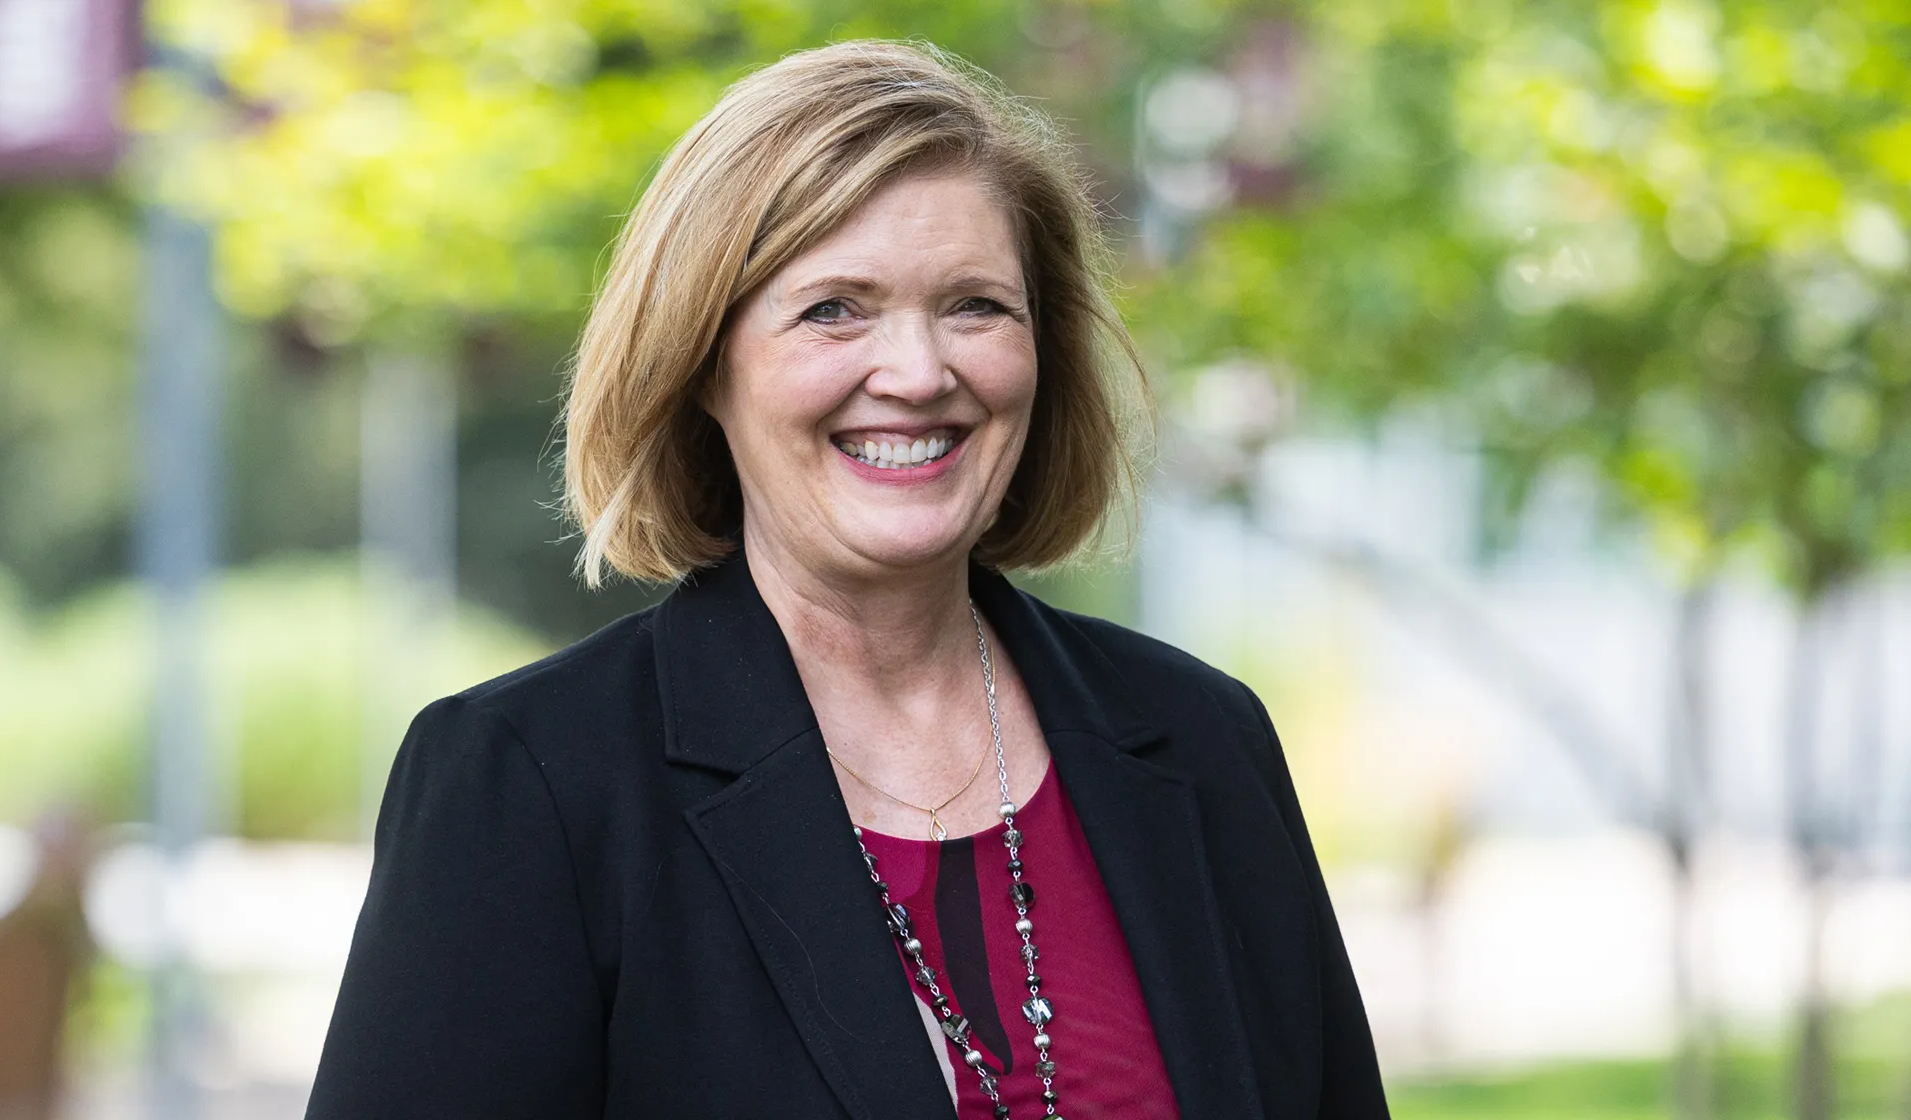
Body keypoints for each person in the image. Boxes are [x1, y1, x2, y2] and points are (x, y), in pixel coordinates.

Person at [305, 39, 1389, 1120]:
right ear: (701, 363)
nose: (919, 373)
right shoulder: (530, 782)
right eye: (833, 308)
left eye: (974, 306)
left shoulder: (1202, 740)